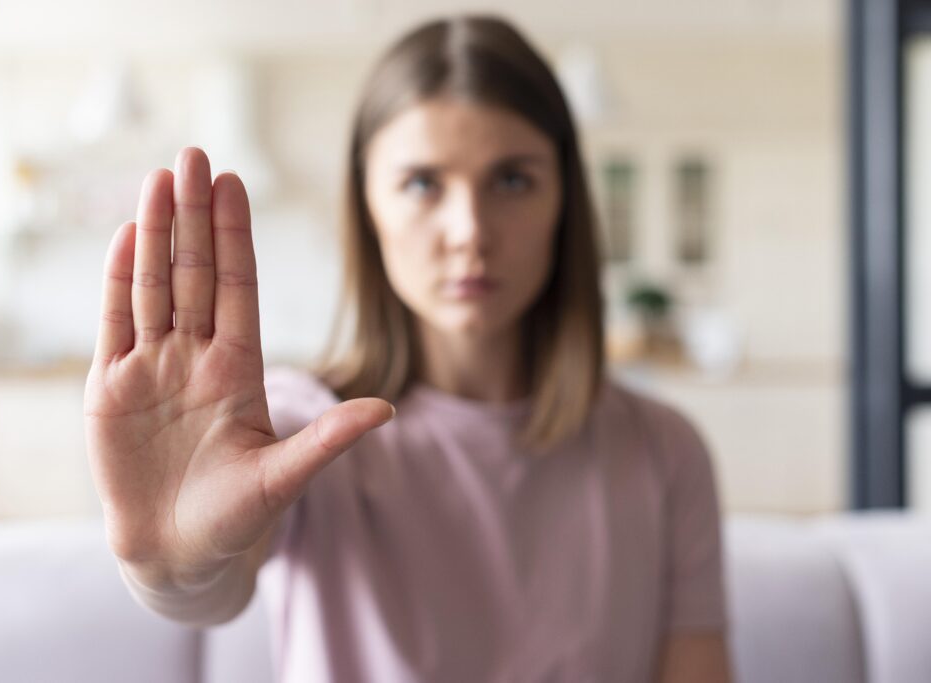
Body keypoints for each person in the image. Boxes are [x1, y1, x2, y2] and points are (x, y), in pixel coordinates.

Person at [84, 14, 732, 683]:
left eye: (512, 180)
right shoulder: (297, 432)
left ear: (564, 201)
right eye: (423, 184)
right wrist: (168, 564)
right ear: (368, 208)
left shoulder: (663, 451)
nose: (469, 231)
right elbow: (211, 584)